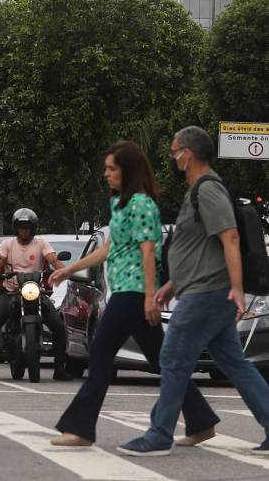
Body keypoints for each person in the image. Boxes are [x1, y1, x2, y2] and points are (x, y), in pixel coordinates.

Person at [49, 141, 218, 447]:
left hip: (133, 292)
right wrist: (68, 269)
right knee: (162, 360)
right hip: (128, 292)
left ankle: (80, 428)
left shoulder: (142, 204)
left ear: (128, 171)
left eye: (112, 168)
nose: (106, 174)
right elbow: (109, 248)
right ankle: (201, 420)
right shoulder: (121, 204)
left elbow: (148, 251)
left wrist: (150, 297)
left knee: (100, 353)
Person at [119, 127, 269, 456]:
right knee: (235, 363)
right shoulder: (198, 191)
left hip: (206, 294)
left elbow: (230, 237)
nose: (173, 158)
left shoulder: (208, 189)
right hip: (203, 290)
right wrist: (172, 284)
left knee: (172, 358)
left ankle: (159, 434)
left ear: (188, 154)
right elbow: (201, 250)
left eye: (175, 152)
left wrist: (237, 288)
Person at [0, 208, 73, 381]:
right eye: (21, 227)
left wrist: (64, 271)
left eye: (27, 227)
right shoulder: (7, 244)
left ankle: (59, 368)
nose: (24, 230)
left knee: (58, 325)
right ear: (16, 228)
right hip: (11, 291)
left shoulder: (41, 244)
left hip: (36, 292)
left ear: (33, 228)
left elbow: (53, 259)